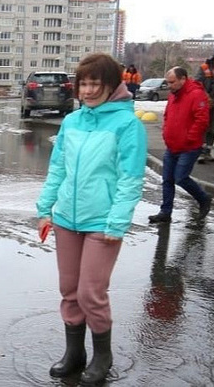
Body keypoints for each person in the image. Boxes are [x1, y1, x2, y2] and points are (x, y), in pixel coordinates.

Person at [36, 53, 147, 384]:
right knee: (69, 290)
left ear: (112, 86)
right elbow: (58, 168)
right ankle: (75, 353)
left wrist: (117, 222)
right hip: (67, 220)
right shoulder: (72, 122)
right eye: (82, 83)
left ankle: (102, 356)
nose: (86, 90)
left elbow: (130, 179)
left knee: (90, 293)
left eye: (94, 84)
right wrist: (45, 208)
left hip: (102, 223)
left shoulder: (128, 125)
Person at [148, 67, 212, 224]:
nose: (169, 85)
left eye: (172, 82)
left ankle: (204, 198)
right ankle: (165, 212)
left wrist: (190, 138)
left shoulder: (196, 94)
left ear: (183, 79)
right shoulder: (173, 95)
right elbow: (168, 115)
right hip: (172, 145)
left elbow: (202, 119)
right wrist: (166, 133)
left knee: (181, 177)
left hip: (189, 146)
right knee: (167, 179)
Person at [194, 45, 214, 163]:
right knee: (202, 126)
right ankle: (199, 151)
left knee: (212, 128)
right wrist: (205, 96)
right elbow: (197, 82)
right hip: (204, 103)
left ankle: (207, 151)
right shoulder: (205, 67)